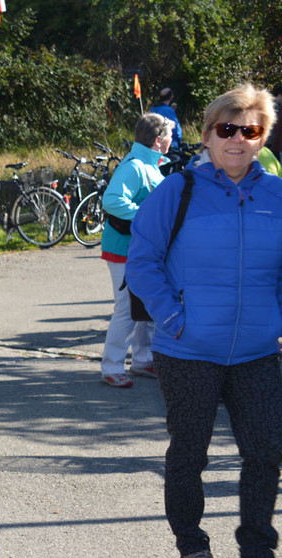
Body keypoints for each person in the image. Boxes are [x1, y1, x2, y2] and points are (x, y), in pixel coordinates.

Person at [127, 83, 282, 558]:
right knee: (190, 454)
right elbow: (142, 262)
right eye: (226, 128)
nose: (237, 139)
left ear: (263, 138)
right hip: (188, 349)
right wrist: (174, 319)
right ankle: (192, 547)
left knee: (266, 450)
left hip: (258, 350)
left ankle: (257, 555)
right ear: (208, 135)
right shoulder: (178, 191)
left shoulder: (276, 195)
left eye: (250, 130)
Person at [98, 112, 173, 388]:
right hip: (124, 249)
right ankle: (112, 366)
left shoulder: (148, 164)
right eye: (170, 135)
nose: (172, 140)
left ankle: (142, 360)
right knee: (127, 309)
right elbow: (112, 201)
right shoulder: (136, 166)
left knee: (145, 307)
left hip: (140, 250)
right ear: (158, 140)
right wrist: (148, 216)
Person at [151, 87, 183, 151]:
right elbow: (176, 131)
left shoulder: (153, 109)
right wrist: (179, 139)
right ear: (171, 97)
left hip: (153, 143)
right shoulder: (168, 111)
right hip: (169, 145)